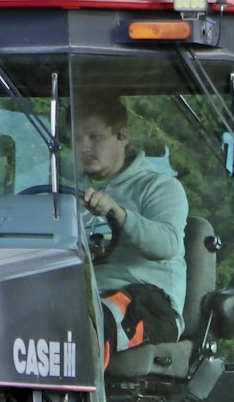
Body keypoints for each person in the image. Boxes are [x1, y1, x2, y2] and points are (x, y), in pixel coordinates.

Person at [72, 93, 186, 355]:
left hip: (149, 303)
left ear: (122, 137)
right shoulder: (68, 191)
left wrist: (119, 214)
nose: (84, 146)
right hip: (81, 296)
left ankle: (84, 396)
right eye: (77, 139)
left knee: (91, 323)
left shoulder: (160, 187)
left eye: (94, 136)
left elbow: (167, 244)